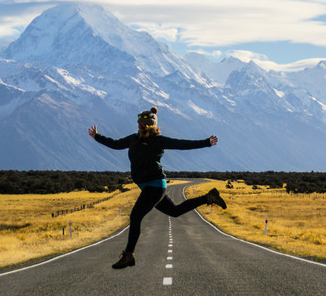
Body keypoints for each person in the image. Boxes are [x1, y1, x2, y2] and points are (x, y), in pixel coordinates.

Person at [89, 106, 227, 269]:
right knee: (174, 211)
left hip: (154, 186)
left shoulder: (158, 141)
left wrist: (206, 142)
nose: (138, 126)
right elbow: (115, 144)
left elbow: (182, 144)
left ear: (148, 125)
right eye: (138, 123)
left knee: (135, 217)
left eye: (141, 124)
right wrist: (97, 136)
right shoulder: (133, 139)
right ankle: (208, 197)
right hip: (149, 187)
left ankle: (128, 255)